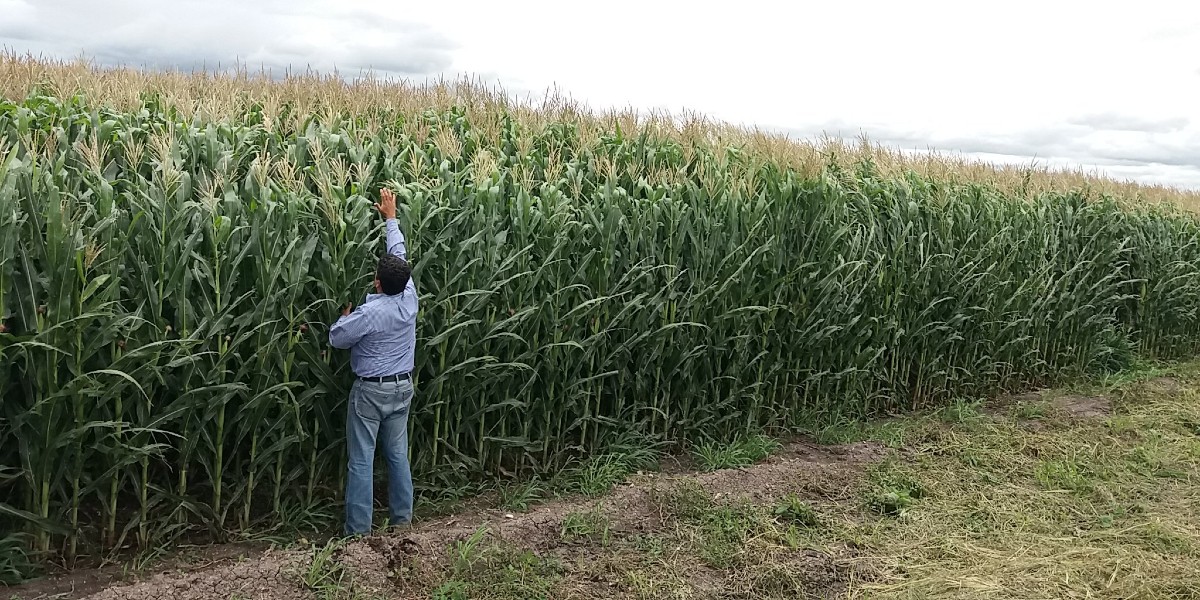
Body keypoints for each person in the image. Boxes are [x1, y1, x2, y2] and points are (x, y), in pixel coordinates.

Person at [328, 187, 418, 537]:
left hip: (370, 393)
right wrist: (391, 218)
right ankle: (402, 522)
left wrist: (344, 317)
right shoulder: (409, 298)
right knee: (397, 456)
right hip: (402, 388)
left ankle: (358, 535)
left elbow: (338, 338)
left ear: (376, 282)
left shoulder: (370, 313)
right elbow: (399, 253)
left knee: (362, 460)